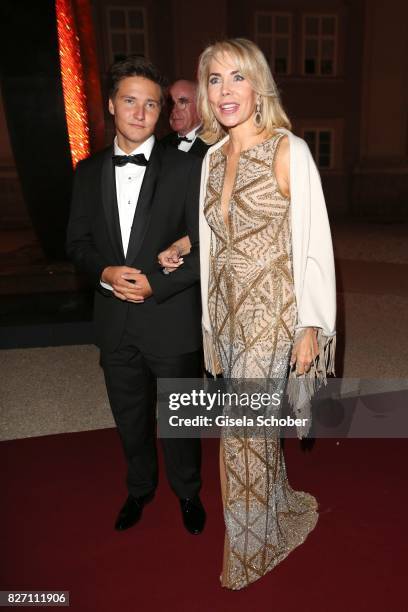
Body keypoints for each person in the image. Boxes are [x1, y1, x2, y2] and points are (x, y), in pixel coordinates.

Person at [158, 38, 336, 589]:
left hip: (273, 313)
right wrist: (187, 246)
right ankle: (278, 507)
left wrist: (312, 323)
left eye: (237, 77)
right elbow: (221, 227)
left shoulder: (289, 150)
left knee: (238, 432)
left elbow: (314, 242)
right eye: (214, 79)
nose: (225, 90)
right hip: (226, 315)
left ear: (258, 87)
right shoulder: (212, 157)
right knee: (256, 429)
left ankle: (251, 548)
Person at [66, 56, 206, 536]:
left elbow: (207, 243)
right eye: (131, 101)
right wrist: (105, 272)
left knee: (181, 417)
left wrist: (158, 282)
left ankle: (188, 492)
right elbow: (77, 244)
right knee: (129, 417)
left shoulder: (189, 168)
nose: (142, 112)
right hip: (114, 322)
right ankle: (140, 487)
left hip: (171, 317)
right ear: (111, 105)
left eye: (151, 104)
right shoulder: (87, 171)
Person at [160, 79, 209, 158]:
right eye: (171, 103)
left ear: (200, 105)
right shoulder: (161, 146)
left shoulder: (216, 146)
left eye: (182, 102)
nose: (174, 110)